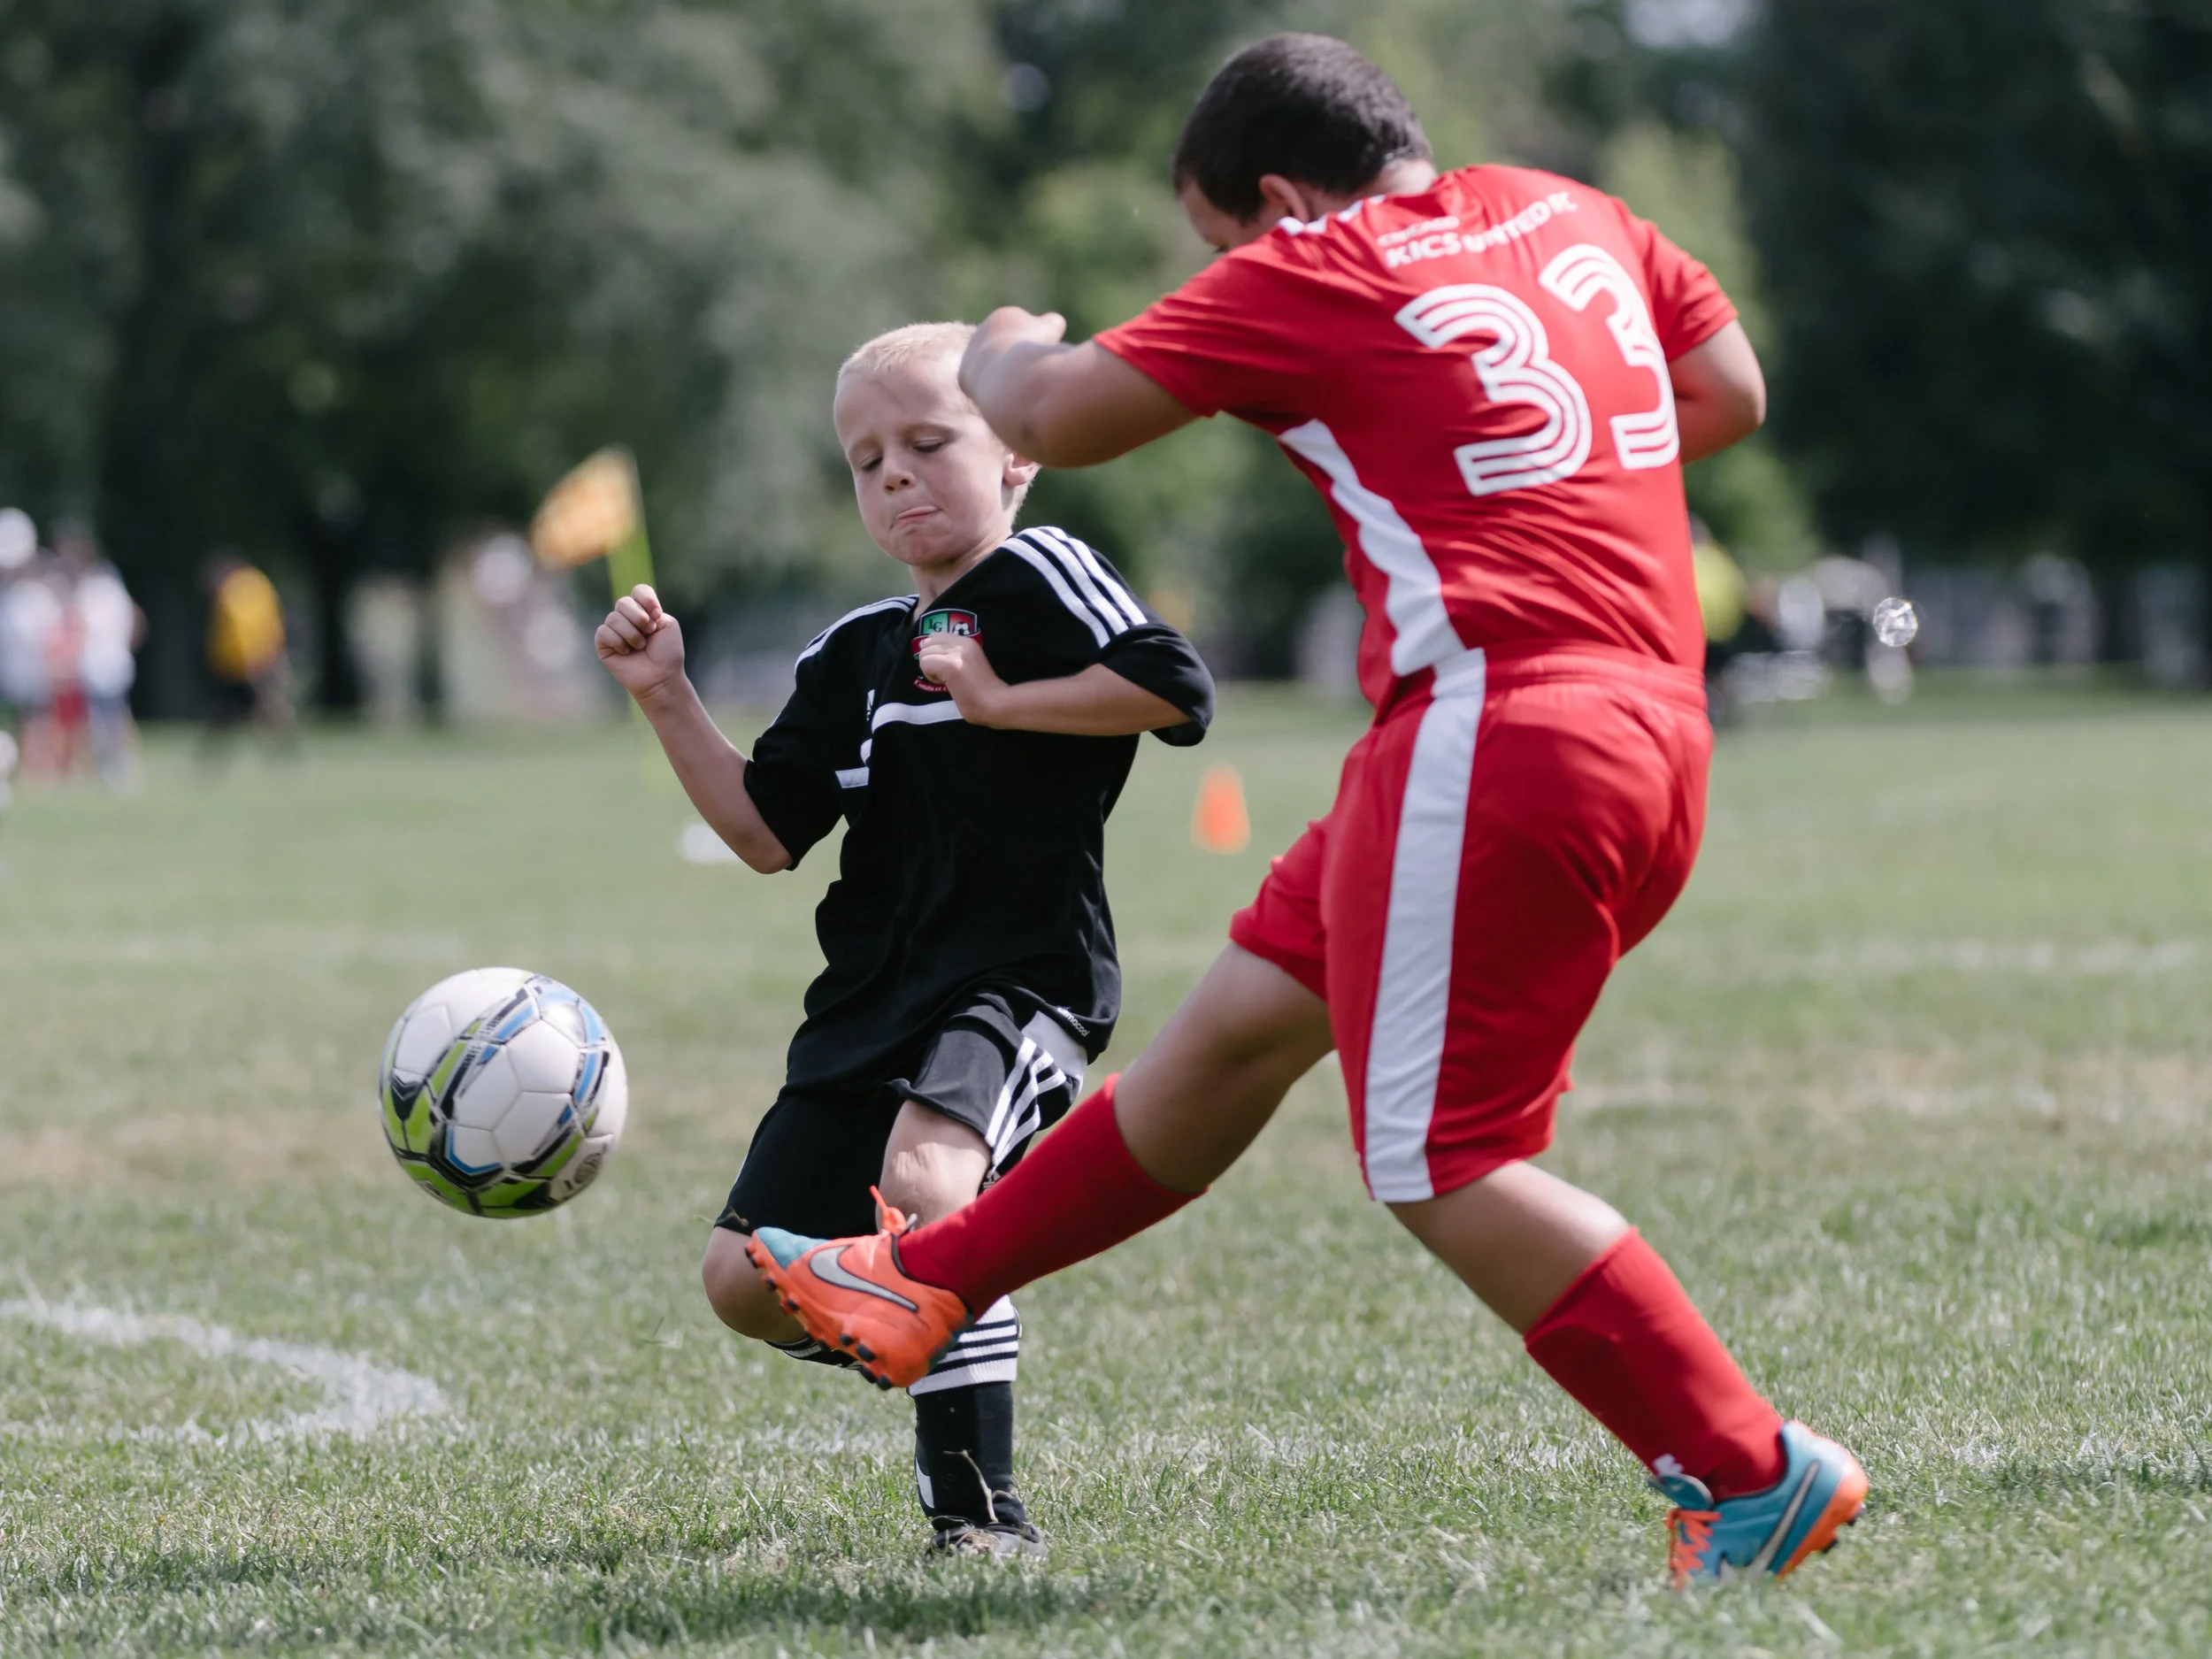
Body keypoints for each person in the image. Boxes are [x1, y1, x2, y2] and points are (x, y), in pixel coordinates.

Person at [752, 36, 1866, 1589]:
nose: (1225, 281)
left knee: (1443, 1161)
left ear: (1277, 200)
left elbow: (1056, 416)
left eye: (1219, 248)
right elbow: (1727, 392)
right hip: (1648, 721)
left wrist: (1005, 346)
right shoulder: (1568, 208)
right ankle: (919, 1284)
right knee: (1233, 1038)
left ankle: (1749, 1467)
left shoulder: (1322, 260)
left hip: (1497, 730)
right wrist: (1524, 464)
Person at [595, 321, 1215, 1558]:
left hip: (1019, 981)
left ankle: (980, 1514)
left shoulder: (1044, 578)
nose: (895, 473)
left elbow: (1176, 688)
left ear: (1018, 456)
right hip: (867, 1001)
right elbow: (767, 832)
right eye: (866, 457)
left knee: (928, 1187)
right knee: (739, 1281)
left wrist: (1001, 700)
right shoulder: (855, 652)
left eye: (929, 442)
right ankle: (931, 1316)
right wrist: (665, 690)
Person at [202, 555, 295, 760]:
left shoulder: (236, 591)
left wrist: (252, 659)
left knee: (263, 712)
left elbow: (242, 630)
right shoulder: (259, 583)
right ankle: (285, 756)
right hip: (250, 663)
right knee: (262, 713)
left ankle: (284, 756)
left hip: (247, 665)